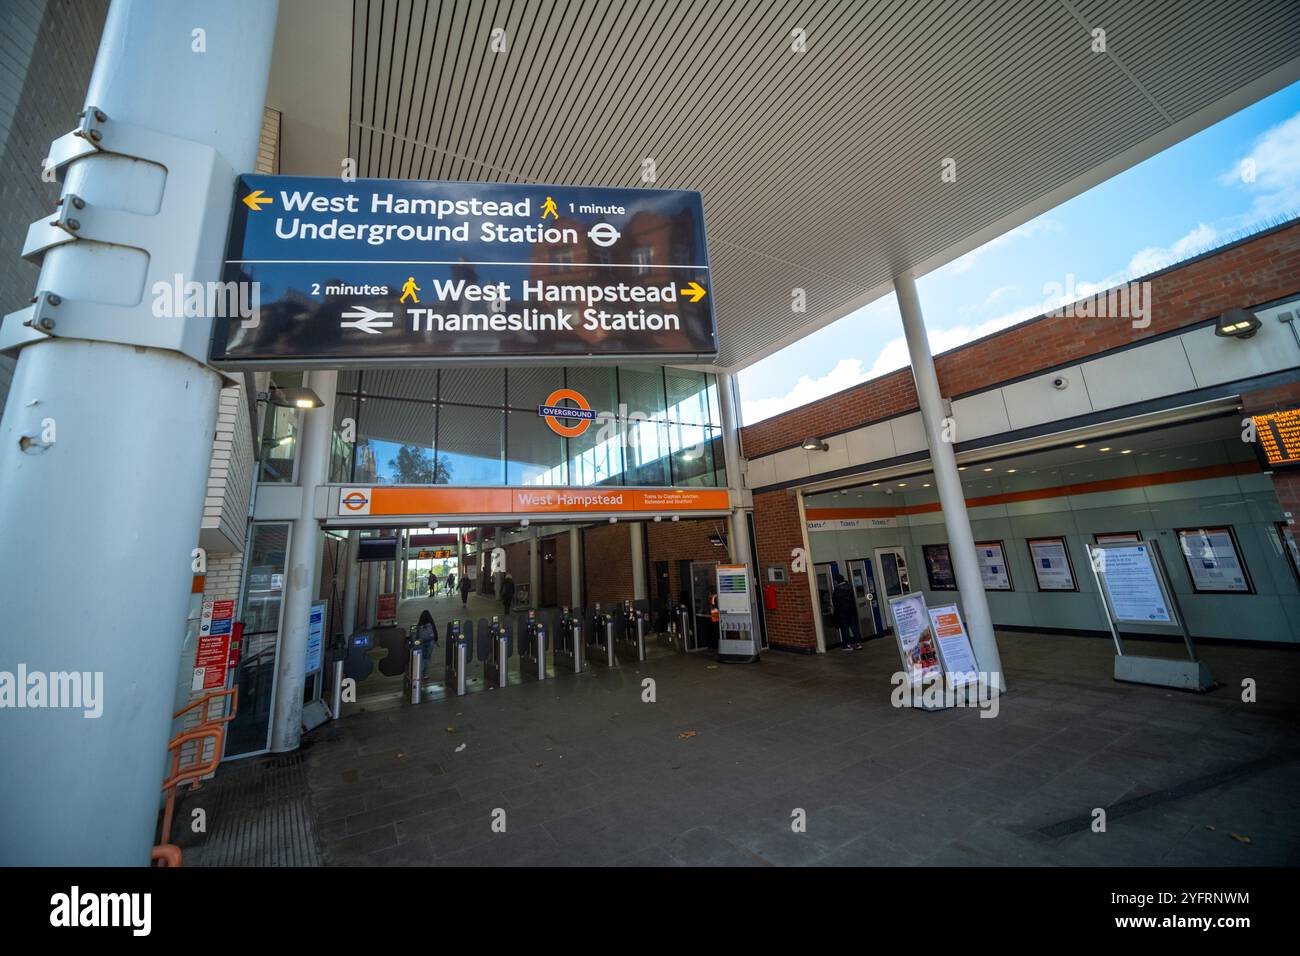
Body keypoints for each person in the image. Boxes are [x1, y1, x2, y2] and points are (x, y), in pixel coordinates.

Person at [831, 574, 862, 649]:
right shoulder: (849, 587)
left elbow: (835, 602)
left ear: (837, 581)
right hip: (851, 610)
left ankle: (847, 645)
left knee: (845, 629)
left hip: (842, 612)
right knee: (854, 627)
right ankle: (858, 643)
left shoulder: (837, 590)